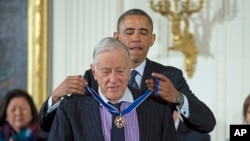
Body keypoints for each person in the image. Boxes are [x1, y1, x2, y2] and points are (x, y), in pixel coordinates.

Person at [39, 8, 216, 134]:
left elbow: (207, 123)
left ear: (152, 39)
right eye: (129, 32)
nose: (136, 38)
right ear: (117, 37)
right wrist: (55, 98)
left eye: (143, 32)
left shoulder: (169, 76)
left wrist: (177, 98)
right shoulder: (92, 78)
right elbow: (50, 126)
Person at [47, 37, 177, 141]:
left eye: (120, 71)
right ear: (94, 72)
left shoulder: (159, 110)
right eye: (106, 72)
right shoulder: (70, 110)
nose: (113, 79)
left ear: (129, 68)